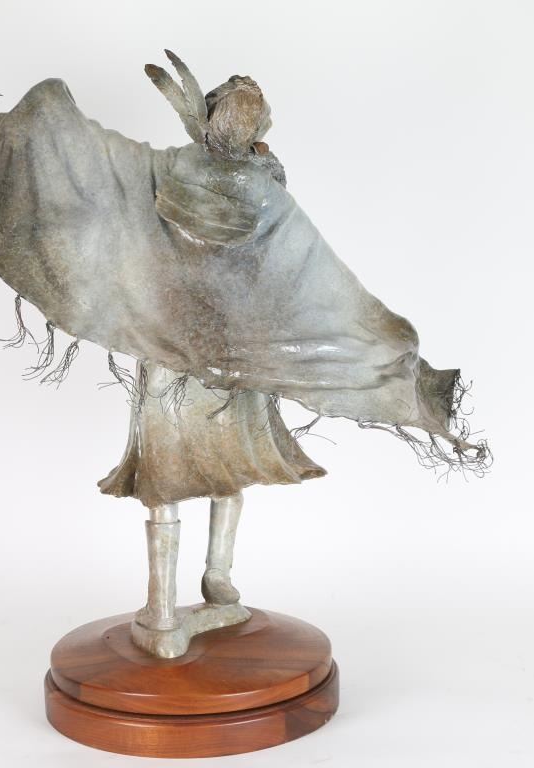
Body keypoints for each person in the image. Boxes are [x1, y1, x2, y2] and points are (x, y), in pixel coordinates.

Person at [98, 72, 325, 634]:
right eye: (232, 113)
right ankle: (162, 603)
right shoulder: (177, 170)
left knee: (232, 462)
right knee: (165, 467)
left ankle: (217, 575)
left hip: (235, 339)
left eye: (250, 116)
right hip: (174, 337)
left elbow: (275, 243)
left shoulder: (264, 172)